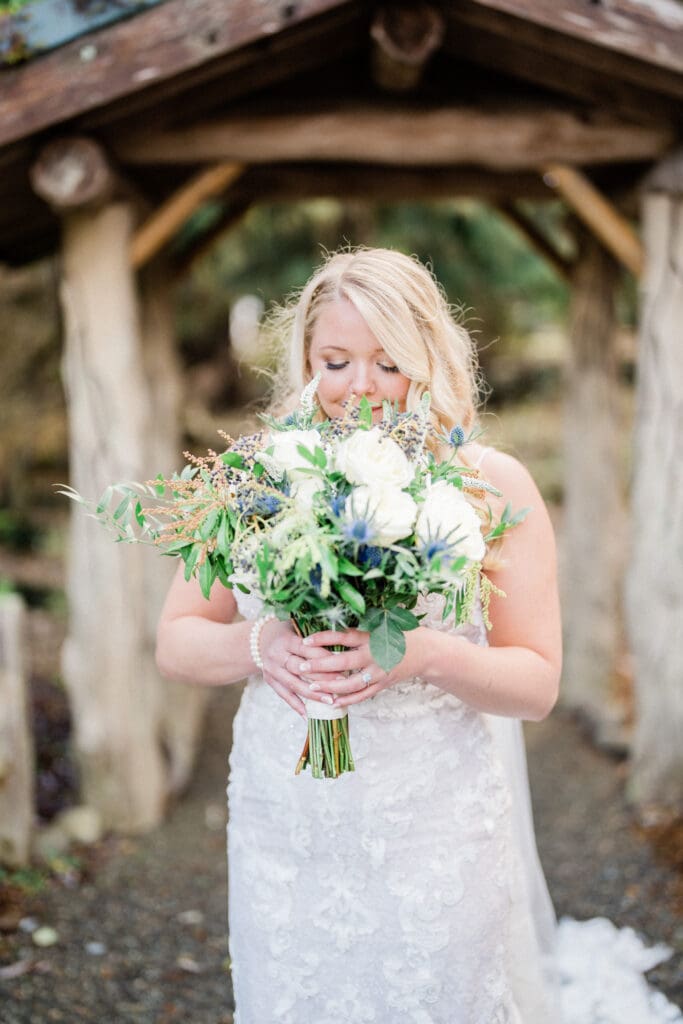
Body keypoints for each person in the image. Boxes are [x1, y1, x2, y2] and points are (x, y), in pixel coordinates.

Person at [156, 248, 680, 1024]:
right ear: (304, 360)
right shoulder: (254, 474)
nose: (360, 388)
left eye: (389, 362)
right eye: (334, 361)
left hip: (430, 824)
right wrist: (257, 645)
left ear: (430, 358)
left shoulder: (488, 485)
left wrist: (422, 653)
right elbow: (175, 640)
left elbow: (535, 685)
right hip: (286, 817)